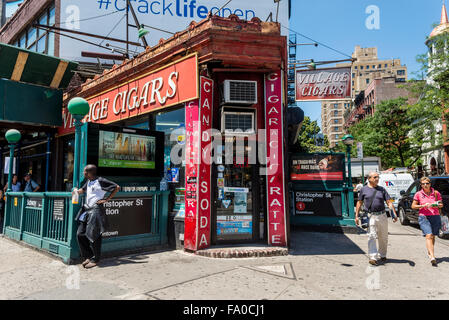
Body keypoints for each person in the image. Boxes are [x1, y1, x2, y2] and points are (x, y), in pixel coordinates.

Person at [75, 165, 119, 269]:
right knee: (80, 234)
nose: (83, 173)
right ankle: (88, 256)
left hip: (96, 210)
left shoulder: (101, 181)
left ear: (89, 172)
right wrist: (75, 191)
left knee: (94, 235)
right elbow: (83, 190)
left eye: (84, 171)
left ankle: (96, 259)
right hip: (87, 210)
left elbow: (116, 187)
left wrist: (106, 199)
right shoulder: (89, 181)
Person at [355, 171, 398, 266]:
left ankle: (382, 254)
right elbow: (359, 202)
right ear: (369, 179)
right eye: (375, 177)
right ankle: (373, 257)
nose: (377, 179)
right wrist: (357, 216)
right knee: (371, 236)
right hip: (370, 216)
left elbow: (389, 201)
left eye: (378, 177)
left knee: (383, 237)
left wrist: (394, 213)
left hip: (382, 215)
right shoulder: (364, 189)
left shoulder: (382, 189)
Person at [411, 177, 443, 267]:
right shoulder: (418, 194)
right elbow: (413, 206)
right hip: (424, 217)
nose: (425, 185)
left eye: (427, 183)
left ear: (430, 184)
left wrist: (435, 204)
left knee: (433, 236)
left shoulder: (436, 193)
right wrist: (422, 205)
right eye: (423, 184)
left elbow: (441, 204)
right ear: (421, 185)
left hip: (435, 216)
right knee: (428, 235)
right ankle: (432, 257)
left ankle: (430, 252)